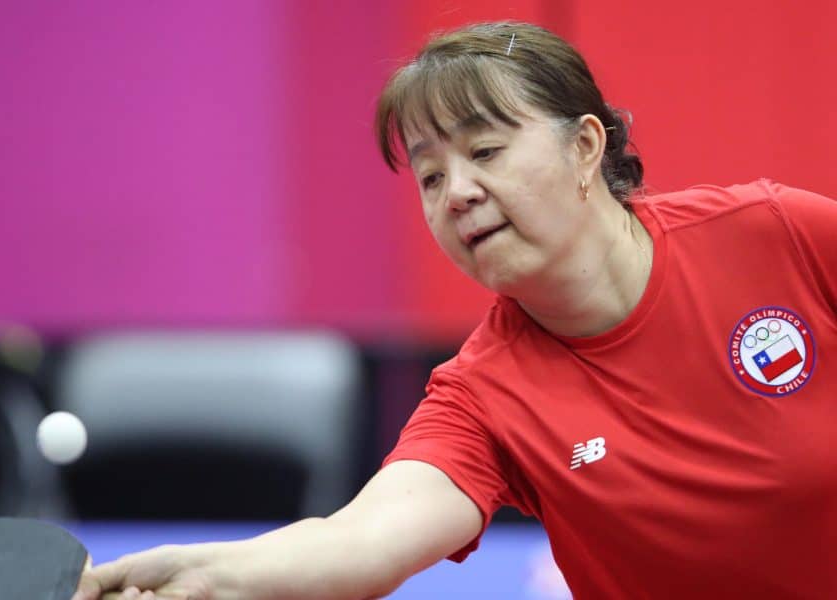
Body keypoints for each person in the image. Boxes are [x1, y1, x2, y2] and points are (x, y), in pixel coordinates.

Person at [74, 21, 837, 600]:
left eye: (486, 152)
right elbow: (360, 544)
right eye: (430, 177)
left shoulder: (777, 233)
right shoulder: (482, 397)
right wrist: (202, 575)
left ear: (585, 147)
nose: (458, 194)